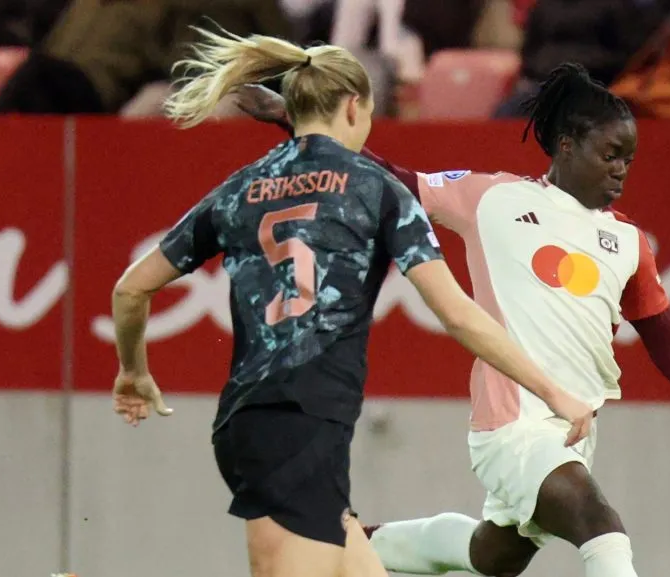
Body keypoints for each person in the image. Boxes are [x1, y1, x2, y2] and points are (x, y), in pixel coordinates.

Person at [237, 63, 670, 577]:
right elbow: (394, 181)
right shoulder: (492, 199)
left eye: (629, 160)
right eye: (609, 154)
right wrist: (297, 122)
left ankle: (365, 544)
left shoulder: (628, 242)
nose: (621, 171)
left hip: (573, 430)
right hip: (511, 429)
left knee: (494, 556)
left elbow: (669, 341)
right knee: (601, 527)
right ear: (566, 146)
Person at [109, 27, 595, 577]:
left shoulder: (242, 187)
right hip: (301, 421)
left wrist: (133, 370)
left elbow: (130, 289)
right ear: (354, 105)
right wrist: (554, 391)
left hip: (262, 420)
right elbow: (457, 313)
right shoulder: (377, 190)